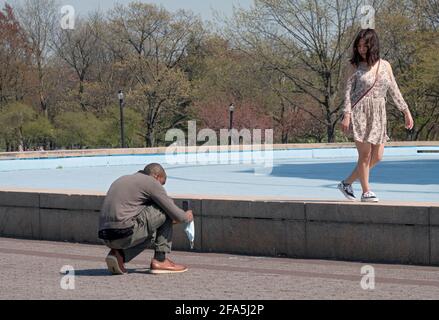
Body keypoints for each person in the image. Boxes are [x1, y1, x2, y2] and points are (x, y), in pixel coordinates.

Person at [339, 29, 414, 203]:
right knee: (364, 155)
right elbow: (347, 92)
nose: (361, 49)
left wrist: (406, 111)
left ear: (373, 46)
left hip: (379, 112)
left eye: (365, 46)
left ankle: (347, 183)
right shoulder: (353, 66)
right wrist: (347, 114)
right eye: (358, 46)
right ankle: (366, 191)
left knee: (378, 156)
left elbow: (394, 90)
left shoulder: (385, 65)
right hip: (360, 112)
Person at [98, 163, 194, 275]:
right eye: (162, 184)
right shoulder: (151, 182)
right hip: (125, 232)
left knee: (151, 236)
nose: (161, 188)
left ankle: (119, 255)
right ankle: (160, 260)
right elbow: (178, 216)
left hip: (104, 235)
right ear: (156, 176)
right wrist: (187, 215)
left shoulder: (123, 179)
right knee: (166, 210)